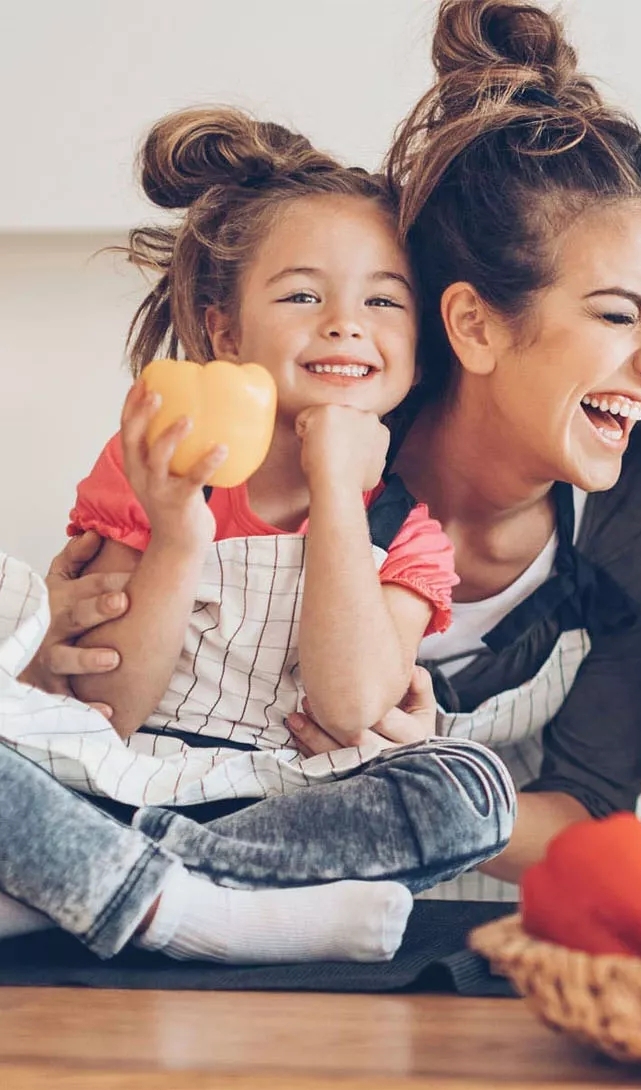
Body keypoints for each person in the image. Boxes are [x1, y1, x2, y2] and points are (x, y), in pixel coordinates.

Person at [0, 107, 514, 964]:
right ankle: (198, 911)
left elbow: (349, 709)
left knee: (471, 787)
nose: (346, 323)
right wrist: (175, 532)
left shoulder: (407, 532)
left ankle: (106, 891)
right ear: (226, 332)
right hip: (114, 783)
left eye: (383, 300)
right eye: (304, 295)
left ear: (418, 351)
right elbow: (111, 709)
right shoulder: (157, 466)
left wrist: (337, 493)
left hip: (276, 813)